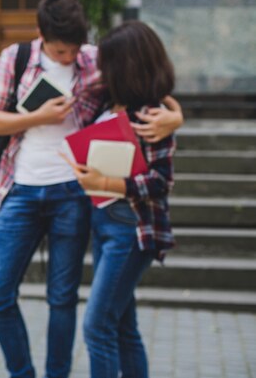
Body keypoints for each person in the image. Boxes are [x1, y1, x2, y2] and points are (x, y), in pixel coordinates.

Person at [0, 0, 182, 378]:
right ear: (41, 35)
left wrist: (176, 117)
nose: (69, 58)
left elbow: (147, 82)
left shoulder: (95, 59)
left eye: (75, 49)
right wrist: (37, 117)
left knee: (64, 299)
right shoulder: (16, 58)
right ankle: (22, 373)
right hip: (21, 188)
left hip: (75, 194)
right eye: (60, 51)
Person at [72, 20, 177, 378]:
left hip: (132, 228)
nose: (100, 69)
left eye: (108, 62)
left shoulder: (153, 116)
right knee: (121, 326)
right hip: (105, 223)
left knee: (97, 326)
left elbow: (161, 181)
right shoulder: (107, 100)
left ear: (125, 65)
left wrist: (107, 182)